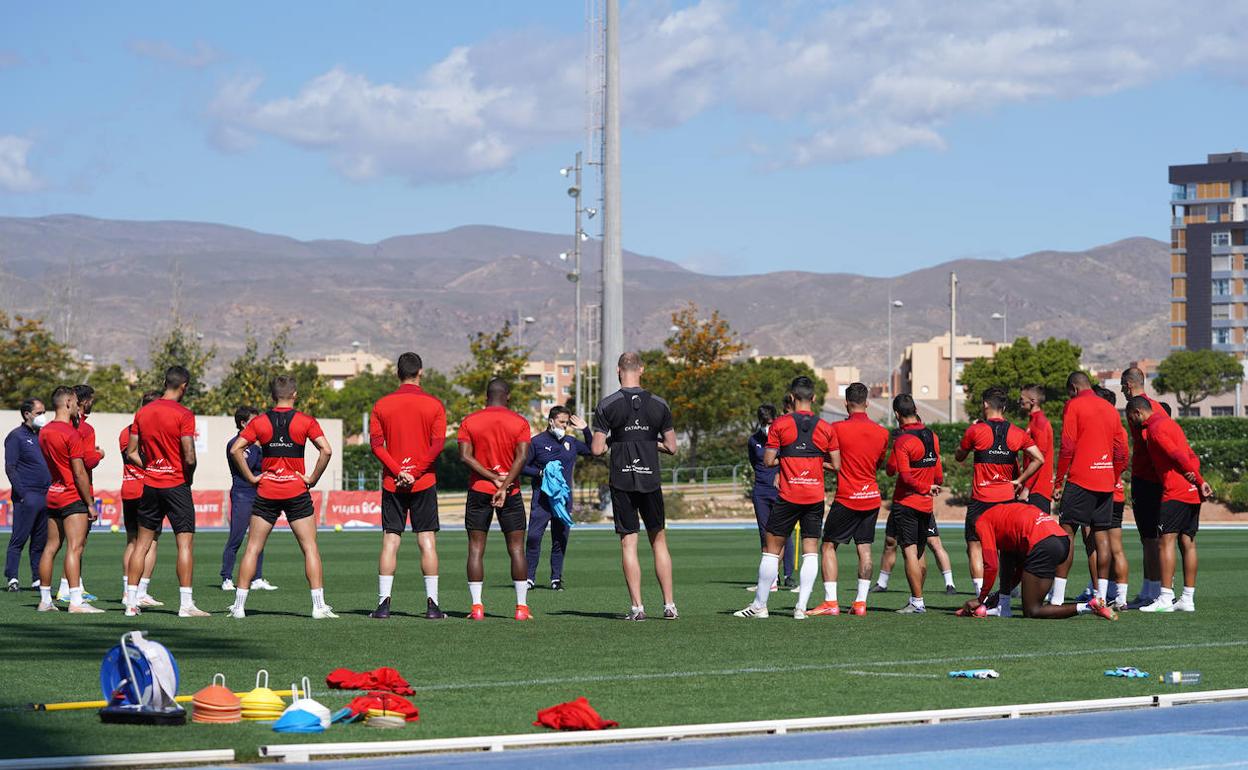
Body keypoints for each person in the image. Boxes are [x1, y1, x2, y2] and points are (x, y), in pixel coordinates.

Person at [227, 376, 335, 619]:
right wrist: (312, 478)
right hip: (296, 490)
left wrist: (252, 478)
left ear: (272, 396)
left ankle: (239, 606)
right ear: (294, 394)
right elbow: (326, 450)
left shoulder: (260, 421)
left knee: (253, 548)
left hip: (267, 490)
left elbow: (236, 449)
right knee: (310, 548)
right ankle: (318, 607)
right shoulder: (306, 421)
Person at [592, 353, 679, 621]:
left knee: (629, 543)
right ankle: (669, 605)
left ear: (619, 371)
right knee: (659, 541)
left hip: (622, 480)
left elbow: (596, 449)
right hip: (650, 478)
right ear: (641, 369)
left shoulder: (607, 405)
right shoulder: (659, 404)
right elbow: (673, 447)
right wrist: (648, 441)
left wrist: (618, 441)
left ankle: (637, 608)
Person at [735, 376, 831, 620]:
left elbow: (768, 461)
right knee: (810, 550)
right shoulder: (825, 427)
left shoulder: (780, 424)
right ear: (815, 398)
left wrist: (787, 458)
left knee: (771, 548)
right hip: (814, 495)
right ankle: (800, 608)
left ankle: (760, 605)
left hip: (788, 494)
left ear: (791, 397)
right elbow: (837, 464)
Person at [368, 352, 448, 620]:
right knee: (427, 540)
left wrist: (399, 471)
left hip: (393, 483)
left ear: (397, 373)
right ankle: (433, 606)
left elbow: (377, 446)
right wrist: (414, 472)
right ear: (421, 372)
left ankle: (383, 606)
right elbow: (437, 446)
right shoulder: (435, 405)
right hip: (424, 481)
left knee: (391, 539)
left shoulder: (381, 405)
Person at [124, 365, 207, 618]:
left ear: (164, 382)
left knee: (141, 545)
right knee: (184, 544)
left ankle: (131, 603)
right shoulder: (184, 414)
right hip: (176, 485)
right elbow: (190, 456)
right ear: (184, 386)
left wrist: (150, 467)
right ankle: (186, 605)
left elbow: (131, 452)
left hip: (150, 484)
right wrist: (187, 478)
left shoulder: (143, 412)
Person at [954, 386, 1045, 596]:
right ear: (1003, 407)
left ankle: (980, 596)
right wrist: (1019, 480)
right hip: (1006, 500)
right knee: (1006, 550)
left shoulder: (975, 430)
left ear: (985, 404)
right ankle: (1004, 593)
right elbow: (1039, 458)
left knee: (975, 545)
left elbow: (959, 456)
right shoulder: (1017, 432)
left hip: (981, 500)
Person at [960, 502, 1117, 621]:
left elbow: (991, 565)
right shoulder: (1003, 515)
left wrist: (981, 599)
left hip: (1044, 544)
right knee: (1007, 554)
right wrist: (998, 596)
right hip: (1061, 540)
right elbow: (1019, 566)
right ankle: (1003, 606)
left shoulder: (981, 523)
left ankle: (1088, 606)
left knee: (1032, 610)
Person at [1049, 372, 1128, 606]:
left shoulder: (1073, 405)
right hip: (1105, 483)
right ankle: (1101, 597)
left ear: (1073, 388)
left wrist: (1059, 481)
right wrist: (1111, 476)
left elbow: (1067, 447)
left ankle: (1057, 597)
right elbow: (1122, 452)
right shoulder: (1110, 408)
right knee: (1101, 538)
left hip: (1080, 481)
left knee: (1066, 536)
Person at [809, 383, 888, 617]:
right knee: (864, 549)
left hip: (847, 498)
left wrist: (828, 467)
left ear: (846, 403)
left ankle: (831, 602)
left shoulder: (836, 429)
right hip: (871, 498)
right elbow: (877, 464)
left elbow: (826, 460)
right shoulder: (882, 433)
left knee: (828, 545)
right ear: (867, 403)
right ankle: (860, 603)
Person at [458, 377, 533, 621]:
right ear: (507, 396)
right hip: (510, 491)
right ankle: (521, 608)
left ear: (486, 396)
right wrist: (505, 482)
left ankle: (477, 607)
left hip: (479, 489)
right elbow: (521, 458)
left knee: (476, 548)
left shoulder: (470, 421)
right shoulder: (520, 422)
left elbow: (465, 457)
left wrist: (492, 478)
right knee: (517, 549)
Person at [1126, 397, 1210, 613]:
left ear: (1137, 412)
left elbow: (1176, 454)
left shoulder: (1154, 429)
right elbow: (1191, 455)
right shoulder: (1172, 424)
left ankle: (1165, 597)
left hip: (1175, 492)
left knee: (1165, 543)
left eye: (1130, 417)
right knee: (1188, 543)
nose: (1130, 422)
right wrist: (1199, 482)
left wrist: (1197, 480)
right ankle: (1188, 599)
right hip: (1191, 493)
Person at [35, 386, 101, 613]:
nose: (77, 407)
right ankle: (75, 601)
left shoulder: (44, 432)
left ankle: (45, 600)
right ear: (68, 403)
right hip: (73, 496)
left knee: (50, 547)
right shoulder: (71, 434)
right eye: (74, 402)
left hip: (53, 493)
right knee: (75, 547)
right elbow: (79, 472)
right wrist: (90, 503)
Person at [882, 394, 946, 614]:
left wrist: (922, 487)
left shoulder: (903, 440)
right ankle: (918, 598)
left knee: (909, 552)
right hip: (926, 505)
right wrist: (932, 485)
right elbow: (938, 472)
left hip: (907, 503)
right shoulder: (932, 436)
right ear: (916, 409)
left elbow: (905, 476)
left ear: (897, 414)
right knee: (920, 553)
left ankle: (917, 602)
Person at [523, 405, 592, 591]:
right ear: (551, 421)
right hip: (542, 499)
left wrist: (585, 429)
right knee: (534, 537)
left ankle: (556, 578)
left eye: (567, 423)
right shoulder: (536, 442)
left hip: (563, 499)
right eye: (561, 422)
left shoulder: (571, 441)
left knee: (560, 538)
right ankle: (529, 578)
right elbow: (522, 467)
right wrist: (541, 472)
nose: (564, 426)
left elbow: (593, 449)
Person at [1074, 387, 1131, 610]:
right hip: (1114, 492)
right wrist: (1115, 476)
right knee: (1115, 548)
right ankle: (1120, 598)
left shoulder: (1098, 428)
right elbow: (1123, 458)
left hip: (1098, 491)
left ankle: (1099, 594)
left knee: (1093, 545)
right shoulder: (1119, 429)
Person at [1120, 366, 1166, 607]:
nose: (1121, 390)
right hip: (1154, 479)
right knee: (1150, 537)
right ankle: (1151, 588)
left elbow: (1154, 443)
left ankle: (1154, 591)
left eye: (1122, 385)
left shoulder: (1138, 409)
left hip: (1147, 479)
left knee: (1150, 538)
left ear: (1128, 385)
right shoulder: (1157, 407)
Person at [220, 406, 278, 592]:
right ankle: (227, 577)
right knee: (236, 537)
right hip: (242, 494)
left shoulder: (257, 444)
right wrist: (258, 447)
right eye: (254, 420)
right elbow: (249, 465)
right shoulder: (236, 444)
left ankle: (257, 578)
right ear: (243, 423)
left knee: (257, 538)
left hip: (259, 494)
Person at [55, 384, 103, 603]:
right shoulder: (85, 429)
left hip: (57, 489)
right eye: (91, 399)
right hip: (79, 491)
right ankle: (67, 588)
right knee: (77, 543)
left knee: (58, 544)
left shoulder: (56, 427)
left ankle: (73, 586)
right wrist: (99, 454)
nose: (92, 403)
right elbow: (86, 461)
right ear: (82, 401)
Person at [119, 391, 163, 608]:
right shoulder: (150, 432)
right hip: (147, 490)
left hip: (128, 490)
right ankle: (141, 591)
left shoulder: (125, 432)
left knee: (132, 542)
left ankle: (128, 592)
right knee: (150, 541)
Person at [746, 404, 794, 592]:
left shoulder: (781, 436)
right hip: (761, 491)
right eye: (765, 422)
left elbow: (788, 459)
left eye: (771, 422)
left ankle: (788, 575)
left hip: (781, 489)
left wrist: (780, 474)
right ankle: (769, 578)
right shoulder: (753, 440)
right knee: (765, 534)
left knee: (784, 533)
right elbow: (754, 462)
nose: (768, 426)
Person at [5, 398, 50, 592]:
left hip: (46, 494)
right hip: (28, 495)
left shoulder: (44, 435)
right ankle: (12, 577)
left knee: (40, 540)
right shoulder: (16, 436)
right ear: (27, 414)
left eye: (43, 412)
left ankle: (37, 578)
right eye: (39, 413)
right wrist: (22, 493)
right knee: (19, 538)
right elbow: (10, 467)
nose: (43, 416)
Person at [1018, 385, 1055, 513]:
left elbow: (1040, 458)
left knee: (1038, 532)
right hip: (1033, 487)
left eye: (1022, 399)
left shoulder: (1040, 422)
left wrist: (1027, 488)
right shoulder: (1033, 421)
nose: (1020, 402)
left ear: (1033, 401)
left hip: (1038, 489)